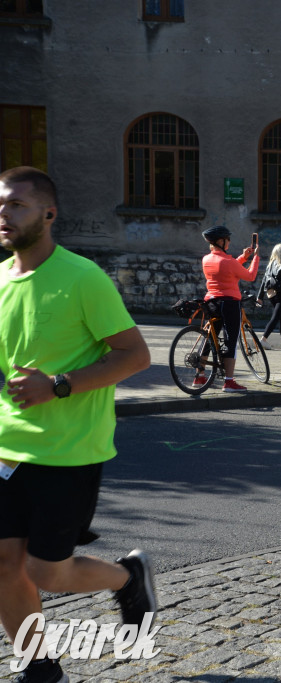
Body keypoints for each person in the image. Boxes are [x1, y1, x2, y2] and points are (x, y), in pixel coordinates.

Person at [0, 166, 156, 683]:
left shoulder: (82, 277)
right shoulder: (0, 280)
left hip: (68, 452)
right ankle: (40, 669)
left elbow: (135, 356)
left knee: (47, 571)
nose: (4, 213)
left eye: (17, 204)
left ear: (48, 214)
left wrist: (57, 385)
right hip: (6, 451)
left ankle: (127, 577)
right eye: (0, 204)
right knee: (4, 565)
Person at [199, 224, 260, 392]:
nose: (229, 242)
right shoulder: (228, 262)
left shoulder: (206, 259)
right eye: (228, 239)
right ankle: (229, 381)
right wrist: (255, 257)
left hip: (212, 302)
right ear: (221, 241)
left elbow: (227, 269)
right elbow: (250, 276)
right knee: (230, 340)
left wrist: (243, 257)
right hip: (229, 303)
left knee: (210, 338)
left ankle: (199, 376)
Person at [256, 243, 281, 350]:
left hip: (271, 295)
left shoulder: (271, 264)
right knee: (276, 317)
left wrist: (260, 297)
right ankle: (263, 339)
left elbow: (264, 281)